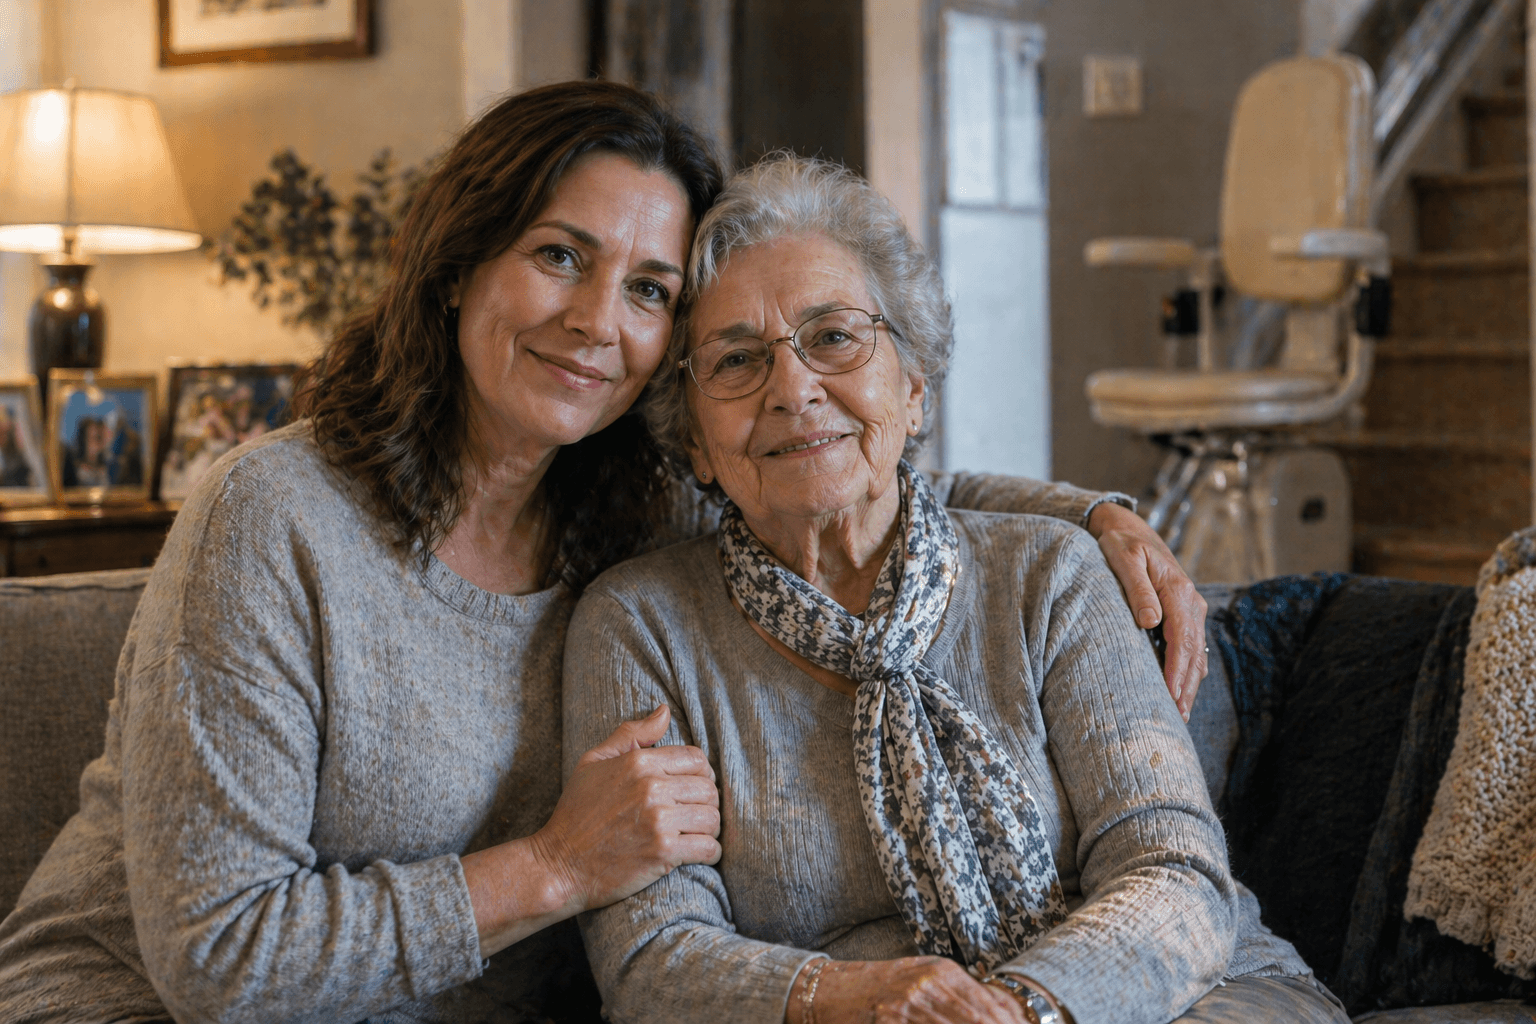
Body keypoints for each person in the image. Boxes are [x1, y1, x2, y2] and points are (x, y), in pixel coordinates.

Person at [0, 84, 1197, 1024]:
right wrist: (556, 865)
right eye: (560, 256)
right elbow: (218, 961)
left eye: (650, 290)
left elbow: (838, 459)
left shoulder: (638, 517)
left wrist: (1091, 516)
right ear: (462, 258)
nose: (596, 322)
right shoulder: (275, 515)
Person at [563, 155, 1345, 1024]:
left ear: (914, 389)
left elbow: (1174, 875)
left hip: (1182, 992)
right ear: (697, 443)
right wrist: (848, 996)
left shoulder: (1050, 573)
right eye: (737, 360)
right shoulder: (640, 627)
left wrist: (1021, 1010)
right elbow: (651, 957)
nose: (792, 389)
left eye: (833, 338)